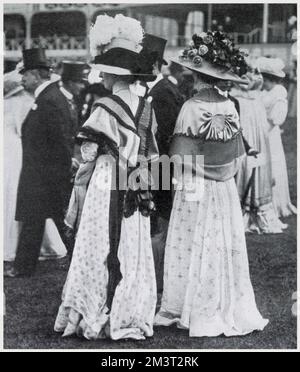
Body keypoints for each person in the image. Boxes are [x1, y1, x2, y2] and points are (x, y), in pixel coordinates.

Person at [155, 31, 269, 337]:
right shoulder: (230, 106)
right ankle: (221, 301)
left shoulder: (191, 108)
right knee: (222, 241)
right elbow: (236, 155)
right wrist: (220, 172)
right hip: (224, 188)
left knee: (191, 241)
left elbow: (178, 158)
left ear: (196, 75)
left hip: (196, 184)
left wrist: (197, 168)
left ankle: (188, 304)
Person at [54, 14, 159, 341]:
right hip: (136, 180)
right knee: (131, 241)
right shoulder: (146, 106)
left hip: (106, 180)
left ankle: (94, 309)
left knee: (99, 241)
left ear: (112, 75)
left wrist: (86, 168)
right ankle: (130, 308)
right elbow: (151, 152)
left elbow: (87, 152)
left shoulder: (105, 105)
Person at [5, 48, 73, 277]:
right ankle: (24, 266)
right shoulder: (46, 97)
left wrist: (59, 177)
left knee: (57, 221)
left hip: (46, 174)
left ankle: (73, 259)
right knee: (35, 219)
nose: (22, 79)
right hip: (40, 173)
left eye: (25, 74)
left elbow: (61, 140)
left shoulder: (50, 99)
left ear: (36, 74)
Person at [141, 34, 185, 295]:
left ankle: (160, 277)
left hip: (164, 167)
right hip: (158, 165)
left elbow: (166, 135)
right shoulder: (157, 89)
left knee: (162, 220)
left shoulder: (163, 92)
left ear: (155, 65)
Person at [231, 69, 288, 233]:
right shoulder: (256, 100)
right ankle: (251, 204)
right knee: (252, 157)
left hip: (249, 134)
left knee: (248, 160)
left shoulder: (241, 100)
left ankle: (246, 205)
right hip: (255, 134)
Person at [256, 57, 297, 218]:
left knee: (272, 164)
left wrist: (264, 128)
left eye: (265, 79)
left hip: (270, 133)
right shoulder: (264, 91)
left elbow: (277, 118)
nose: (263, 82)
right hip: (261, 129)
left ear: (272, 79)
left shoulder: (279, 92)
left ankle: (275, 201)